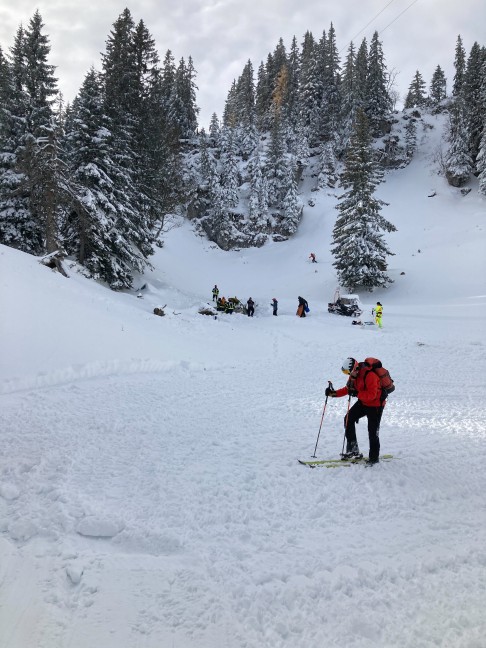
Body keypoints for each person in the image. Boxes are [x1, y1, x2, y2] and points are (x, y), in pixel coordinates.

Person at [325, 357, 385, 465]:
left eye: (349, 372)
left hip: (375, 405)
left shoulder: (370, 375)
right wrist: (332, 394)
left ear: (355, 368)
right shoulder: (353, 375)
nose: (349, 375)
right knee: (348, 419)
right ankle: (353, 450)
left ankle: (374, 458)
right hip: (363, 402)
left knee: (373, 431)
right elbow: (348, 389)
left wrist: (357, 394)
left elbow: (372, 395)